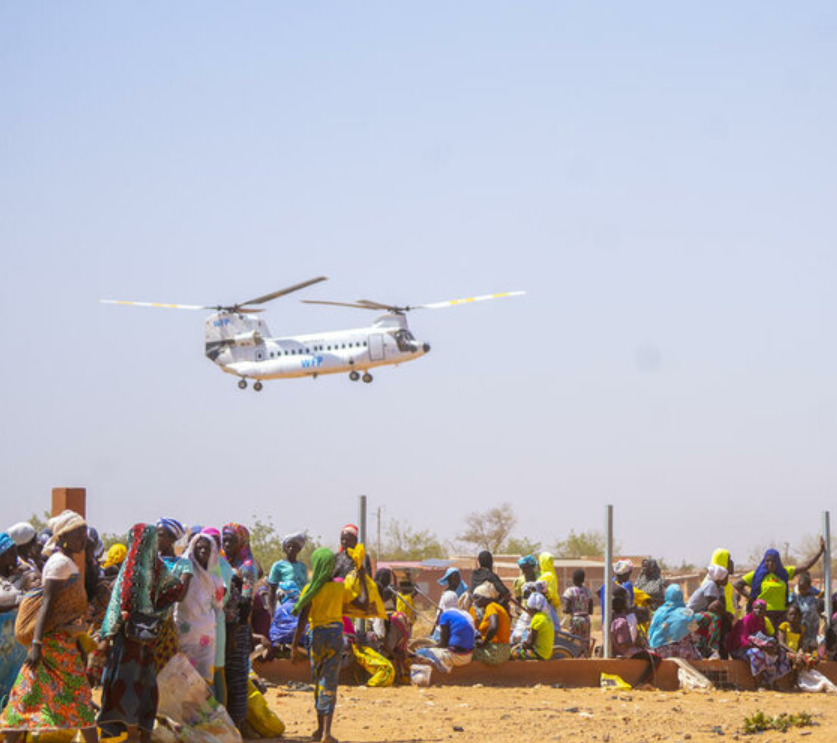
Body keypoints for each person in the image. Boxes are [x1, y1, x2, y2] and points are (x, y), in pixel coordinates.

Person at [0, 510, 98, 743]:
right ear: (63, 537)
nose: (84, 539)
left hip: (61, 641)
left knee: (28, 696)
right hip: (53, 643)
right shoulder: (59, 564)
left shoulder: (67, 562)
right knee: (75, 696)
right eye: (78, 534)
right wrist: (36, 644)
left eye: (84, 533)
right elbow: (46, 604)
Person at [97, 524, 182, 743]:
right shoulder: (158, 567)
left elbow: (118, 603)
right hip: (147, 637)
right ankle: (141, 733)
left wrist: (107, 634)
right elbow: (175, 590)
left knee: (123, 684)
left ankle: (132, 735)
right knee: (143, 685)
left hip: (127, 638)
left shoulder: (131, 566)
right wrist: (156, 613)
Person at [291, 547, 369, 743]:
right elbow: (363, 604)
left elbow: (302, 619)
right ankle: (326, 733)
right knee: (329, 681)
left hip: (315, 636)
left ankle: (318, 730)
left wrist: (293, 646)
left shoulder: (310, 589)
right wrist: (363, 579)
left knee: (318, 680)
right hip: (335, 636)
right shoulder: (338, 588)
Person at [735, 541, 825, 626]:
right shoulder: (757, 574)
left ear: (777, 561)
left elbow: (806, 566)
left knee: (780, 640)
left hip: (782, 614)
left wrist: (820, 552)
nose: (770, 563)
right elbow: (738, 585)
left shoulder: (784, 573)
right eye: (767, 561)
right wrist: (751, 597)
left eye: (773, 561)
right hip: (763, 614)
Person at [174, 534, 225, 682]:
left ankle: (201, 705)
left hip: (206, 633)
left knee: (203, 680)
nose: (203, 551)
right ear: (192, 549)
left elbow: (218, 602)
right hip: (184, 630)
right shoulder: (183, 570)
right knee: (183, 678)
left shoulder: (214, 577)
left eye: (207, 548)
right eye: (199, 547)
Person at [221, 523, 258, 730]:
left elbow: (246, 603)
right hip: (219, 626)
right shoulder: (221, 563)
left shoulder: (247, 567)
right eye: (224, 540)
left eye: (231, 540)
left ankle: (238, 723)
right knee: (222, 674)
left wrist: (235, 631)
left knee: (237, 677)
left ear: (241, 542)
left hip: (237, 628)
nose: (226, 544)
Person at [726, 599, 791, 689]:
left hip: (757, 646)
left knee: (781, 653)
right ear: (752, 608)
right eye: (756, 608)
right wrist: (764, 648)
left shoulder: (762, 621)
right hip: (739, 649)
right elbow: (743, 641)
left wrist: (770, 646)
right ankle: (759, 684)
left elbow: (763, 636)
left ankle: (772, 681)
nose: (759, 611)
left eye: (762, 609)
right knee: (757, 654)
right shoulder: (746, 621)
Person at [154, 518, 191, 672]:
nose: (156, 538)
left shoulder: (184, 564)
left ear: (172, 539)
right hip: (148, 622)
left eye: (160, 534)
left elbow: (180, 594)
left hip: (168, 623)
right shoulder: (151, 561)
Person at [200, 527, 233, 705]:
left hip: (215, 621)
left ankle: (221, 719)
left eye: (215, 541)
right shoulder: (195, 563)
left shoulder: (223, 566)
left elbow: (222, 595)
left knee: (217, 671)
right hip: (195, 624)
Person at [415, 590, 475, 674]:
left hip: (456, 657)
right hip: (469, 656)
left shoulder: (445, 615)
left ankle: (441, 670)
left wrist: (427, 646)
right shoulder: (464, 614)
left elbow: (442, 644)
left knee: (420, 652)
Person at [611, 588, 661, 687]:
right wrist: (637, 644)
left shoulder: (613, 618)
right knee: (656, 659)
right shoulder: (623, 621)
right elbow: (623, 643)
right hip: (626, 652)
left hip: (619, 650)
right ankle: (643, 682)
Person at [0, 534, 28, 707]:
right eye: (11, 553)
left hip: (17, 644)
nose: (15, 557)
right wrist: (19, 601)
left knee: (16, 681)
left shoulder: (20, 575)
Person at [647, 584, 699, 659]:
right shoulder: (688, 613)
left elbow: (650, 636)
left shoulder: (659, 612)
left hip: (660, 653)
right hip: (684, 653)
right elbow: (695, 638)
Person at [267, 532, 308, 618]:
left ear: (299, 549)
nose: (291, 549)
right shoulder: (278, 566)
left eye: (294, 546)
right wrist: (272, 614)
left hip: (299, 606)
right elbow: (271, 591)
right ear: (284, 549)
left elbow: (304, 588)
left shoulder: (302, 567)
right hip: (283, 605)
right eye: (288, 546)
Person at [469, 583, 511, 665]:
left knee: (467, 654)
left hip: (496, 651)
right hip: (504, 651)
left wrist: (484, 642)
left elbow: (493, 626)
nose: (475, 601)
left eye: (477, 597)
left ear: (486, 597)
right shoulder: (495, 607)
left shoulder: (491, 607)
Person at [511, 592, 554, 661]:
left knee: (514, 653)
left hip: (538, 654)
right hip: (547, 653)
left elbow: (531, 642)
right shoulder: (547, 617)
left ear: (532, 608)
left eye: (528, 608)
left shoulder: (536, 619)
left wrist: (523, 646)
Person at [561, 569, 593, 655]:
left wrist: (572, 609)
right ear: (583, 579)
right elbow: (590, 611)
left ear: (573, 579)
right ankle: (585, 659)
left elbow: (565, 610)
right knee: (585, 642)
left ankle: (574, 661)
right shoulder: (588, 591)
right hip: (586, 620)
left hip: (575, 620)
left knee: (573, 642)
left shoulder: (569, 591)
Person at [789, 572, 822, 652]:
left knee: (812, 642)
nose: (802, 590)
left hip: (813, 622)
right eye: (801, 588)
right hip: (801, 622)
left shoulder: (812, 594)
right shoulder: (796, 594)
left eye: (804, 588)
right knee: (802, 642)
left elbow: (821, 594)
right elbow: (790, 603)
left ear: (809, 587)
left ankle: (811, 657)